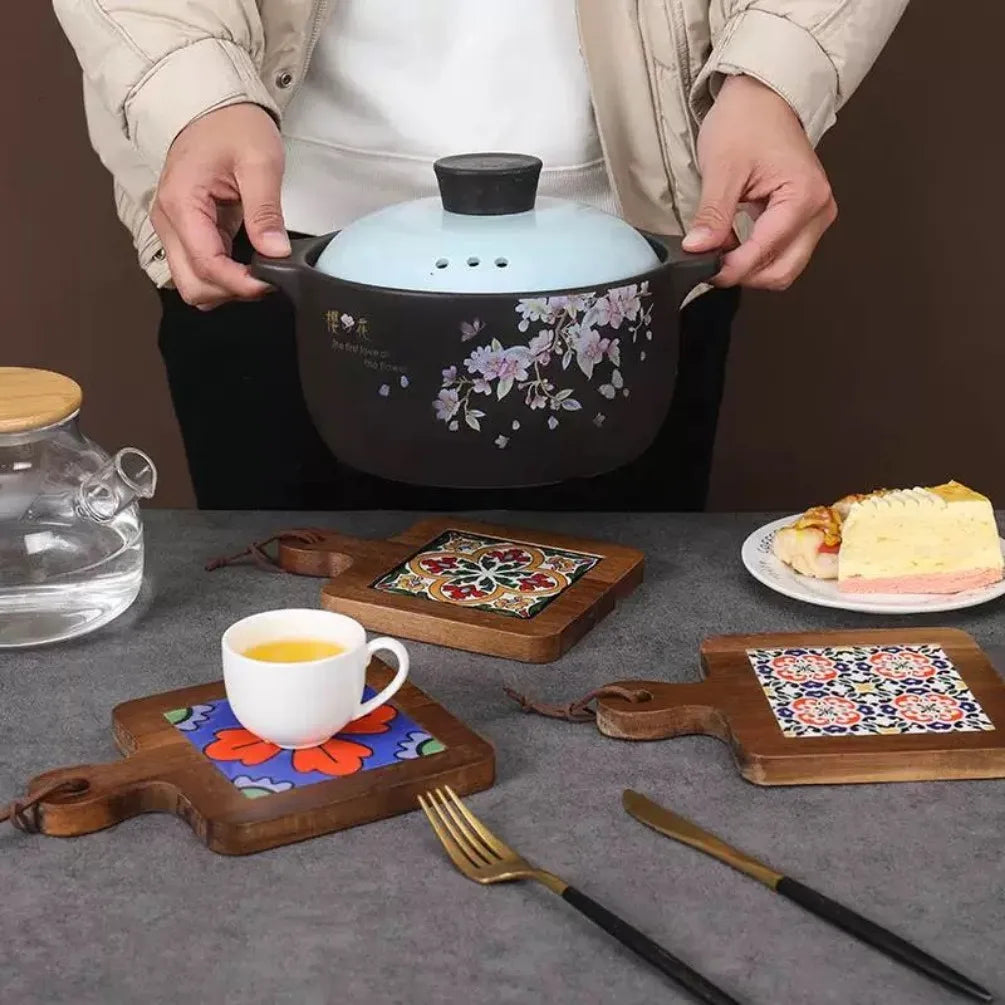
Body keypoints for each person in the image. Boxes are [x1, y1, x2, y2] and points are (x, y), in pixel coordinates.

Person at [53, 1, 907, 512]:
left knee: (610, 620)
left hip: (647, 245)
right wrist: (190, 95)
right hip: (262, 237)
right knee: (292, 636)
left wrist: (772, 75)